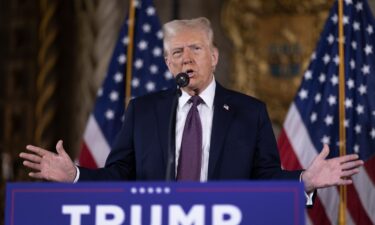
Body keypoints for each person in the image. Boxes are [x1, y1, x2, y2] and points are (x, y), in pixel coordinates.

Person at [20, 17, 363, 199]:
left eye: (195, 49)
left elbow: (265, 179)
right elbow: (119, 175)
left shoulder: (249, 112)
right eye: (177, 52)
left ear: (213, 57)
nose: (186, 58)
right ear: (169, 64)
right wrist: (75, 176)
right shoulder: (143, 110)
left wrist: (306, 180)